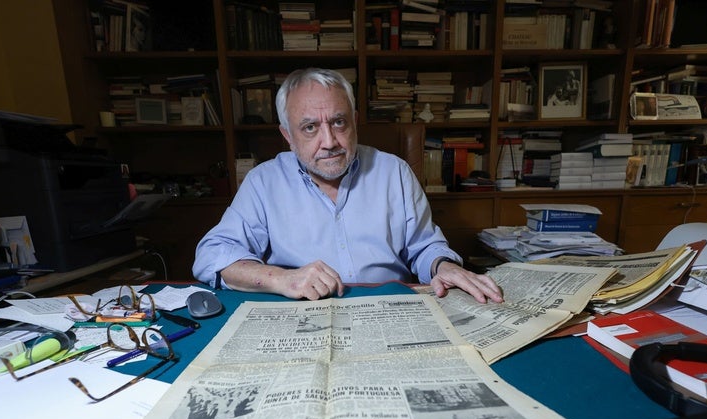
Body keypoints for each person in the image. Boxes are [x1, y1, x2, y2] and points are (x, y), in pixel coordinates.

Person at [193, 67, 503, 304]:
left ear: (354, 120)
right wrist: (282, 280)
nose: (329, 142)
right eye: (310, 127)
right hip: (302, 313)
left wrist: (443, 266)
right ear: (287, 135)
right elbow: (212, 255)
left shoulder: (394, 172)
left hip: (387, 310)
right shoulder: (264, 182)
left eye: (339, 122)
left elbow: (425, 247)